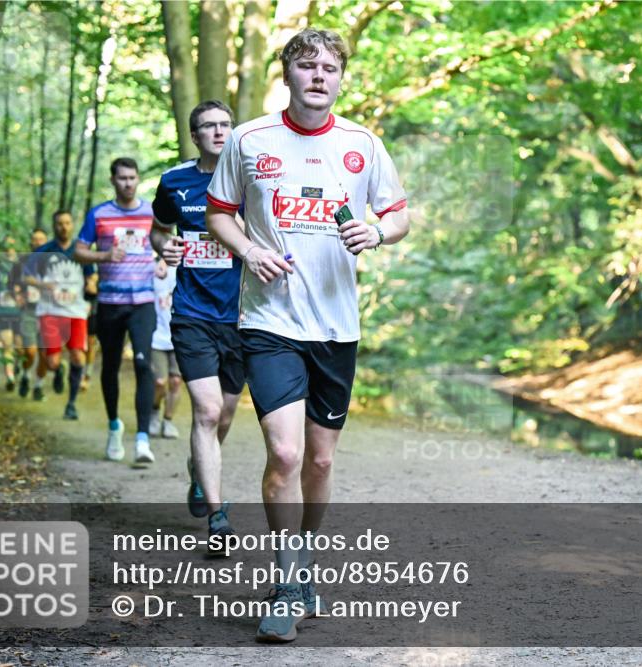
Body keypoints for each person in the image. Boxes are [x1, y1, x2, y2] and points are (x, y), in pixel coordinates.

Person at [205, 29, 409, 642]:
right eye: (306, 65)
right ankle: (287, 575)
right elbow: (220, 212)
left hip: (336, 328)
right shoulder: (248, 140)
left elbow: (398, 213)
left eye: (330, 67)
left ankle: (305, 556)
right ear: (287, 73)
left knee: (320, 460)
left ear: (341, 78)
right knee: (286, 454)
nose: (319, 75)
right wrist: (247, 249)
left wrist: (378, 233)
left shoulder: (362, 145)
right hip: (269, 321)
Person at [150, 99, 244, 546]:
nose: (220, 132)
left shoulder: (252, 182)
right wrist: (163, 248)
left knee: (223, 415)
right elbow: (159, 229)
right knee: (206, 411)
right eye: (209, 126)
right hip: (192, 313)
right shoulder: (174, 181)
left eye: (226, 125)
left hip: (244, 316)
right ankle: (217, 515)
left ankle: (198, 469)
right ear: (195, 136)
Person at [74, 157, 157, 464]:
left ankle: (143, 439)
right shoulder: (99, 214)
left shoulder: (151, 212)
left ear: (137, 179)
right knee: (109, 366)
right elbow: (79, 252)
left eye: (132, 177)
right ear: (113, 180)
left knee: (143, 364)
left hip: (143, 302)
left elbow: (165, 244)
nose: (127, 183)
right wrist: (105, 254)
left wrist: (162, 263)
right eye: (122, 178)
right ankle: (113, 427)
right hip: (110, 302)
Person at [24, 211, 94, 421]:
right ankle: (58, 369)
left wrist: (92, 284)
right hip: (49, 311)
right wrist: (42, 284)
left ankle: (71, 404)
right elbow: (27, 276)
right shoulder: (44, 251)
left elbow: (92, 275)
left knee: (78, 355)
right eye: (59, 223)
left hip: (75, 311)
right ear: (54, 226)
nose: (63, 227)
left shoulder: (81, 251)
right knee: (52, 362)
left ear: (72, 225)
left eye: (67, 223)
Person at [149, 258, 183, 439]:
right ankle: (154, 411)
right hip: (156, 337)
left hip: (178, 337)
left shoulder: (184, 269)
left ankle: (168, 420)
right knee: (159, 382)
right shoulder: (153, 269)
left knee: (176, 382)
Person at [18, 228, 48, 399]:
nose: (38, 243)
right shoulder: (23, 261)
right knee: (30, 351)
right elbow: (12, 282)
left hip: (49, 312)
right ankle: (25, 375)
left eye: (41, 240)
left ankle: (38, 386)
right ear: (30, 242)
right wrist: (17, 294)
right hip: (28, 310)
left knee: (45, 353)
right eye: (35, 240)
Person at [0, 237, 24, 391]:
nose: (8, 248)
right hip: (2, 310)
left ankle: (17, 367)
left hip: (19, 311)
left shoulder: (22, 264)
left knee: (20, 346)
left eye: (12, 245)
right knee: (7, 344)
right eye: (6, 245)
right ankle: (10, 376)